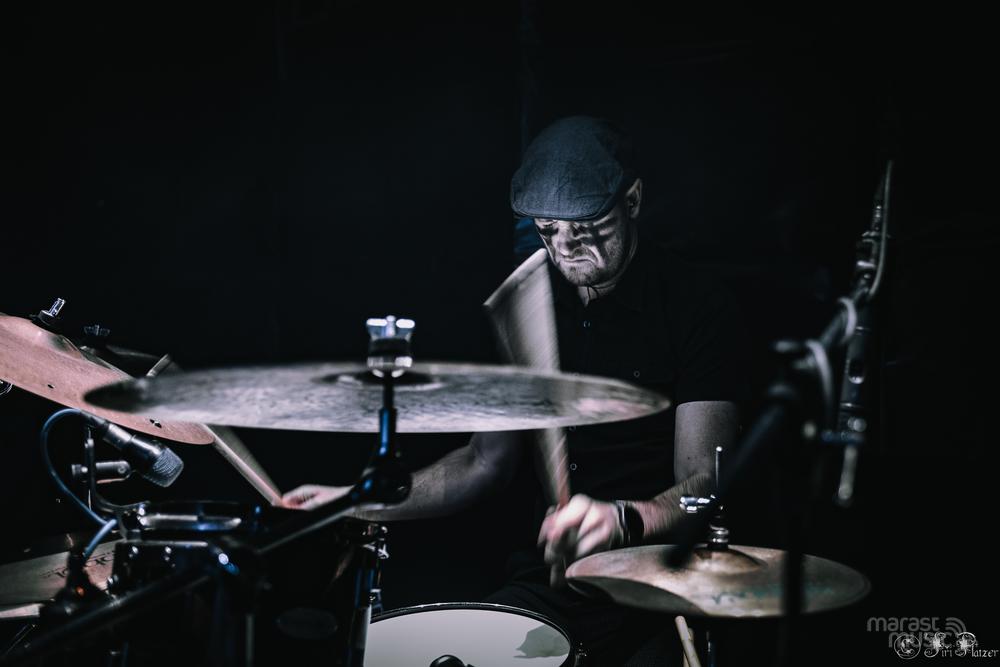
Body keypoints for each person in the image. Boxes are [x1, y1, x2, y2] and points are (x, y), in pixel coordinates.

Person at [285, 116, 747, 663]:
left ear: (633, 200)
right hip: (556, 585)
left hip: (665, 582)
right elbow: (483, 462)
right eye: (548, 230)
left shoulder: (696, 305)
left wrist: (624, 519)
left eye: (586, 226)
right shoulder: (528, 304)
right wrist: (355, 504)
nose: (566, 247)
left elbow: (706, 484)